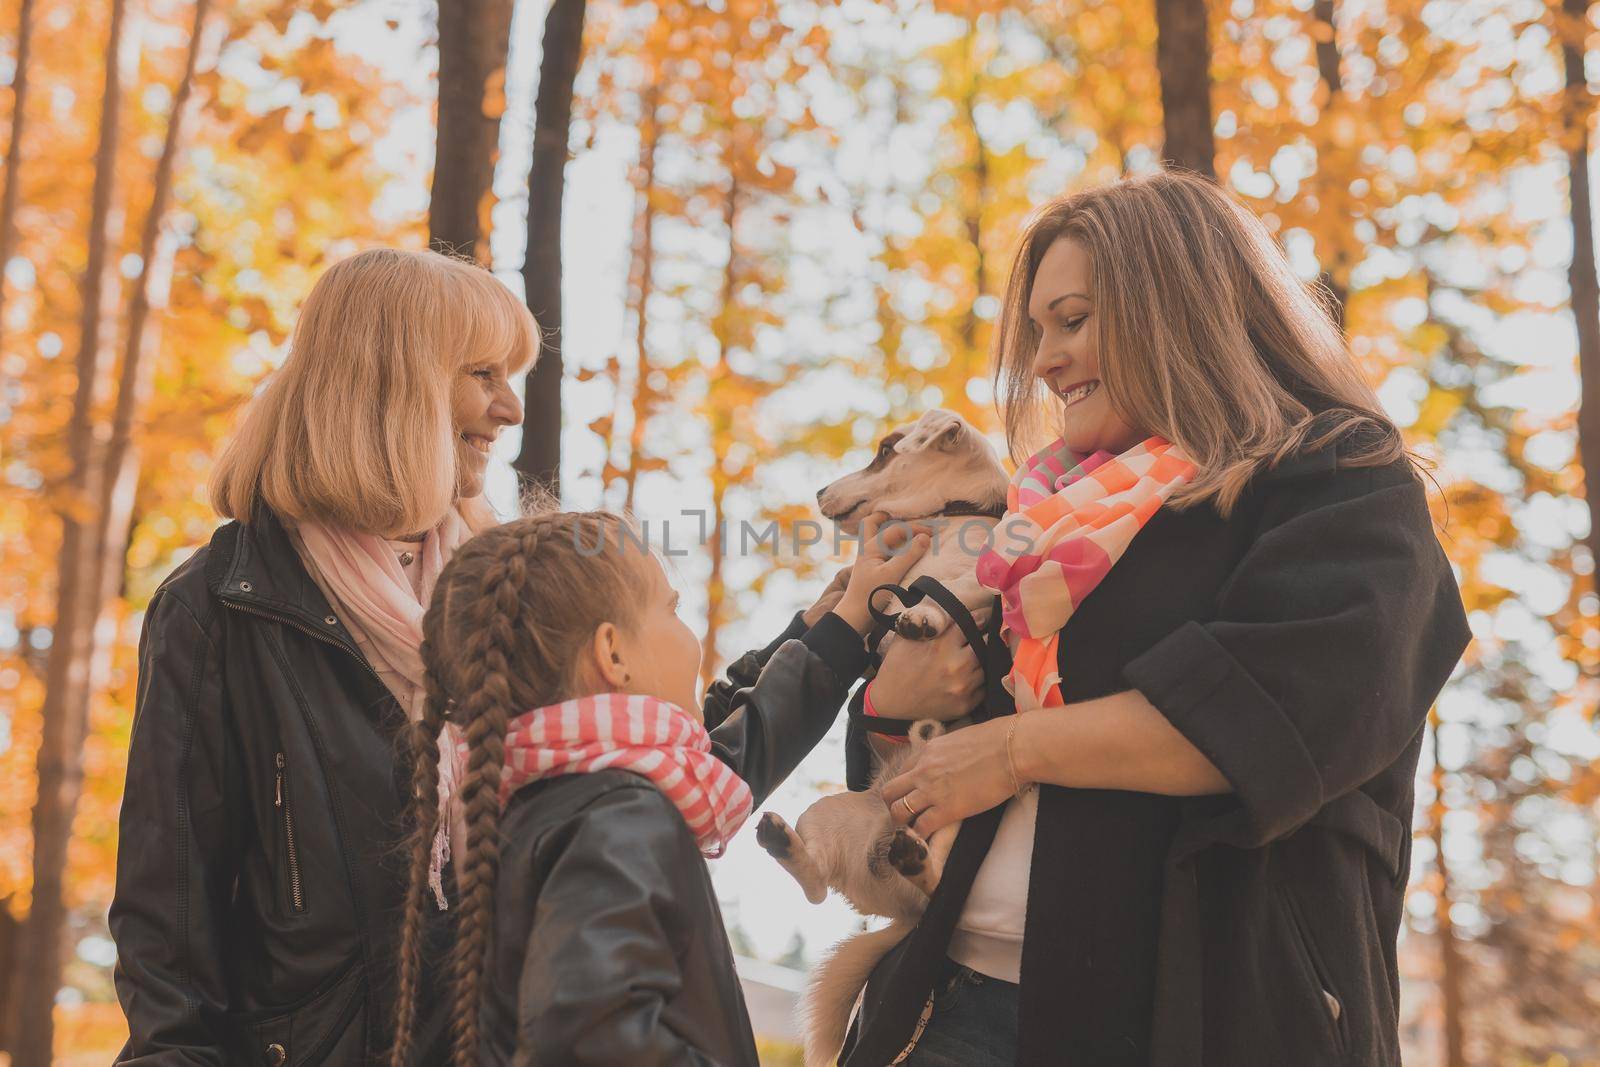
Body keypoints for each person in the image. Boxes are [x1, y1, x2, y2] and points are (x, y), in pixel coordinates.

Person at [848, 171, 1472, 1067]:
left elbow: (1263, 719)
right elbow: (925, 756)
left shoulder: (1342, 481)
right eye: (1037, 333)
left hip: (1205, 1022)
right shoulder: (1045, 517)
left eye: (1073, 320)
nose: (1044, 361)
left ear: (1178, 306)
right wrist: (892, 703)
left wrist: (1014, 750)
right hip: (947, 1005)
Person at [387, 511, 930, 1065]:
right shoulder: (617, 817)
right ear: (613, 656)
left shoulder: (533, 805)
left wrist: (833, 627)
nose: (689, 635)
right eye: (672, 609)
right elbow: (595, 1042)